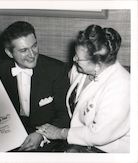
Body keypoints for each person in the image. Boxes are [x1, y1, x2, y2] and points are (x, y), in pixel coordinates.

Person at [36, 24, 130, 153]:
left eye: (78, 58)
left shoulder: (121, 88)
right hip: (80, 142)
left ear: (98, 64)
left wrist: (60, 133)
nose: (74, 59)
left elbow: (98, 135)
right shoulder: (79, 70)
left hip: (109, 151)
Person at [0, 21, 70, 151]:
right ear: (9, 53)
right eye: (24, 50)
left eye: (34, 46)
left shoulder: (57, 70)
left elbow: (65, 115)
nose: (32, 54)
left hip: (47, 140)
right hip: (9, 138)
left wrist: (41, 135)